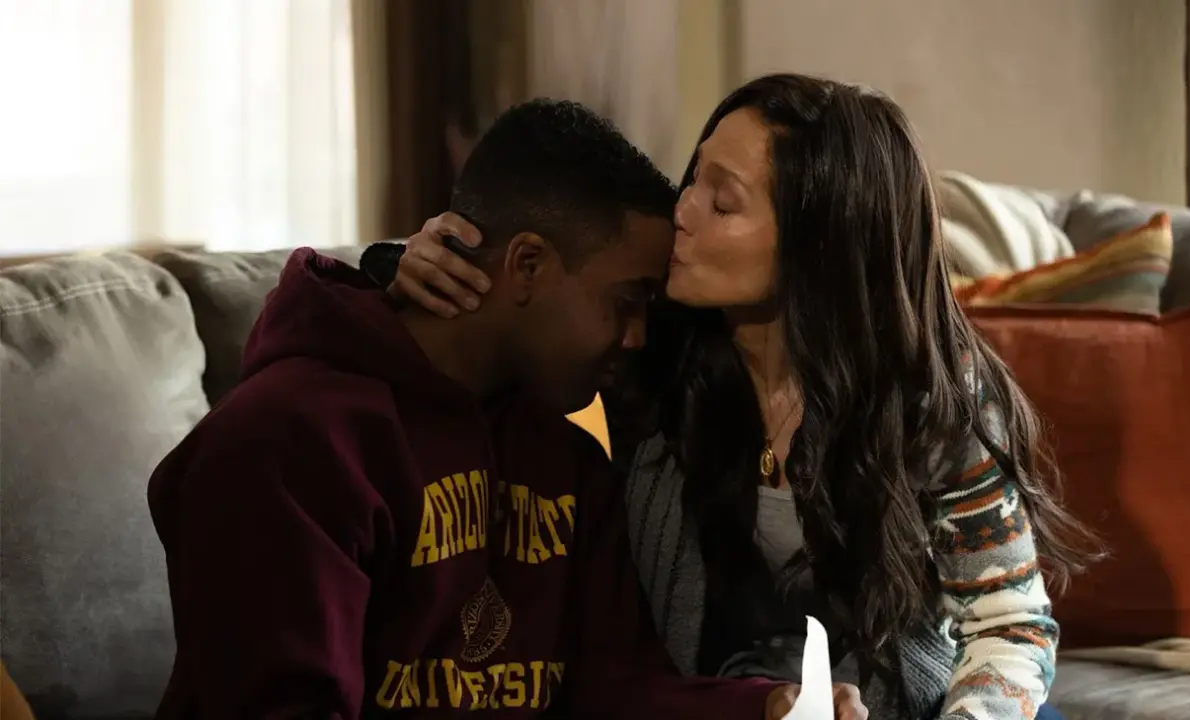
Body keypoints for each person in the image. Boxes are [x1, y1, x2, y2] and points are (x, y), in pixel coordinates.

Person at [379, 75, 1098, 720]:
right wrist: (404, 271)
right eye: (693, 178)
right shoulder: (650, 349)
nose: (682, 210)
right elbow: (504, 341)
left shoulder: (927, 393)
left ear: (818, 245)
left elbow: (1009, 625)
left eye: (722, 202)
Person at [148, 99, 866, 719]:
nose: (638, 337)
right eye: (626, 302)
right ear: (526, 266)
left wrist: (763, 709)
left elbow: (611, 685)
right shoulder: (284, 445)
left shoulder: (566, 453)